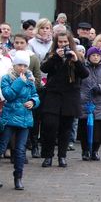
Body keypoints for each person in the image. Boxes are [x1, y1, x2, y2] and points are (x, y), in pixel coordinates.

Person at [40, 31, 88, 168]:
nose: (63, 44)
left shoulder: (76, 56)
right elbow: (44, 68)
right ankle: (48, 155)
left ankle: (62, 156)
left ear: (70, 42)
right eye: (60, 42)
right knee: (50, 125)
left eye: (65, 42)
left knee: (65, 128)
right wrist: (55, 57)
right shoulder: (51, 55)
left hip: (70, 96)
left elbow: (85, 74)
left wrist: (76, 61)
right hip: (53, 95)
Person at [0, 52, 39, 189]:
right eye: (19, 65)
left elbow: (35, 95)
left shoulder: (30, 80)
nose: (22, 68)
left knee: (21, 150)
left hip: (24, 119)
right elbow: (8, 95)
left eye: (25, 65)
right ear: (14, 65)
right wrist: (19, 82)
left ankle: (18, 178)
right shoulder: (6, 78)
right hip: (9, 118)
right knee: (2, 146)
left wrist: (33, 102)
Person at [78, 47, 101, 161]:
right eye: (93, 55)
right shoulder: (83, 66)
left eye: (97, 55)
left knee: (99, 130)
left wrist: (99, 87)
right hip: (85, 102)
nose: (95, 57)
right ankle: (85, 151)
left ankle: (95, 151)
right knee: (84, 128)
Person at [13, 34, 43, 158]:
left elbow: (38, 76)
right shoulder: (10, 55)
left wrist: (29, 86)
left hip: (28, 95)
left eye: (22, 43)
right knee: (13, 125)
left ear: (26, 44)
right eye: (16, 42)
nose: (19, 45)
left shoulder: (33, 58)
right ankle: (17, 151)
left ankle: (34, 145)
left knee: (32, 123)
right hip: (14, 95)